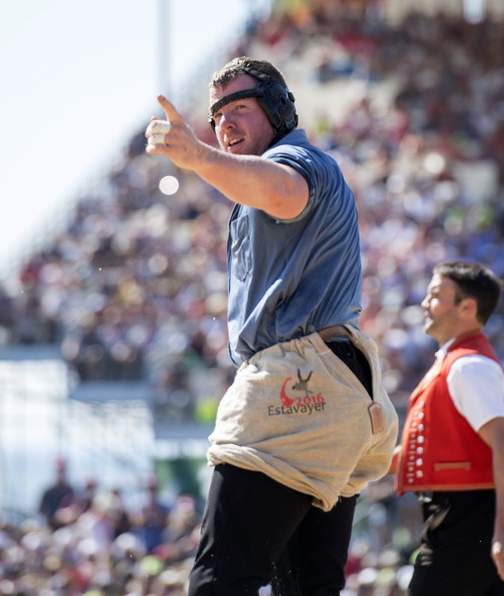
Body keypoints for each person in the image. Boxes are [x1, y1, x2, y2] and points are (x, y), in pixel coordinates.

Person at [145, 56, 398, 595]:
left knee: (221, 581)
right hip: (339, 387)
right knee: (306, 587)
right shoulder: (260, 178)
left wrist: (196, 156)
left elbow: (283, 190)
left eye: (239, 107)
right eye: (216, 116)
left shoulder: (298, 160)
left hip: (298, 385)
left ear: (280, 110)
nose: (225, 124)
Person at [391, 261, 504, 595]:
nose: (425, 303)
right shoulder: (457, 361)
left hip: (466, 517)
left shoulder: (468, 366)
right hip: (467, 515)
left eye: (436, 295)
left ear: (467, 307)